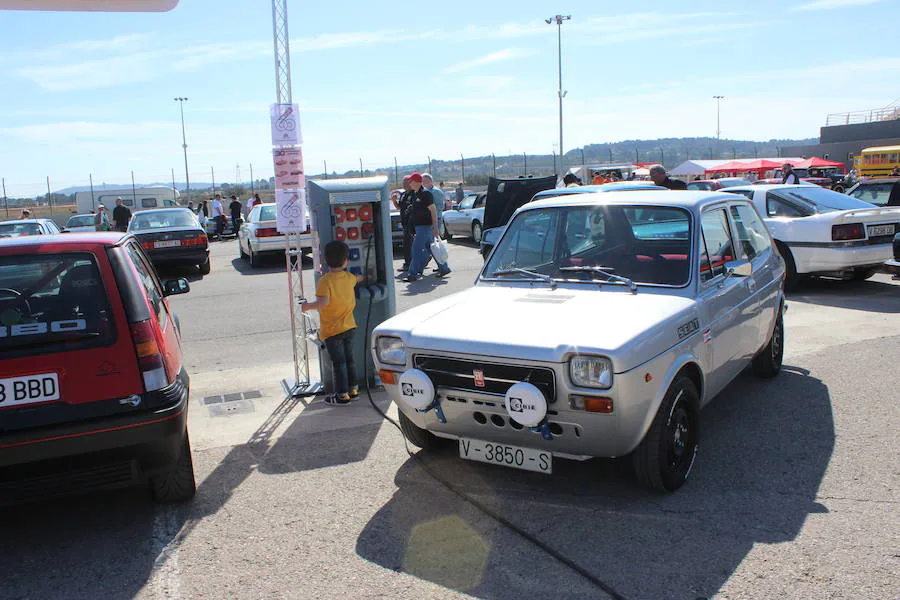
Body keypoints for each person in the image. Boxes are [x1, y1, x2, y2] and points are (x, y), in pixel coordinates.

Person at [301, 240, 363, 406]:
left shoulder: (325, 280)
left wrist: (307, 306)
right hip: (350, 326)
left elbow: (323, 302)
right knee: (350, 360)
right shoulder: (349, 278)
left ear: (325, 261)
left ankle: (342, 395)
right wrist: (363, 277)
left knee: (339, 363)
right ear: (346, 261)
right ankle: (353, 390)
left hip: (332, 330)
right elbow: (358, 278)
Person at [404, 172, 442, 282]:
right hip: (419, 226)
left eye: (411, 181)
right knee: (431, 248)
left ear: (416, 182)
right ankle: (444, 267)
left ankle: (412, 273)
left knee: (416, 250)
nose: (409, 183)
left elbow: (433, 210)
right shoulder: (416, 194)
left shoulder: (426, 194)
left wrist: (435, 227)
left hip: (425, 226)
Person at [422, 173, 451, 277]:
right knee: (432, 244)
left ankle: (443, 266)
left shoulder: (436, 192)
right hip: (429, 220)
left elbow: (439, 207)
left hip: (436, 219)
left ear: (430, 181)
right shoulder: (425, 192)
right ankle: (441, 265)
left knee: (435, 244)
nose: (422, 183)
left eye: (424, 181)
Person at [397, 176, 414, 275]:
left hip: (411, 223)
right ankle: (407, 263)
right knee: (406, 244)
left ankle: (410, 264)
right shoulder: (403, 194)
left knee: (409, 244)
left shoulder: (414, 194)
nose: (404, 184)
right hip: (404, 223)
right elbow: (400, 207)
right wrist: (394, 201)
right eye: (403, 182)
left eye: (406, 182)